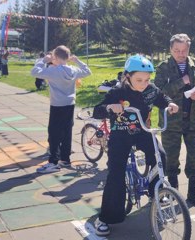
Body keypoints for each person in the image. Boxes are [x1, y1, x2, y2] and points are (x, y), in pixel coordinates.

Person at [92, 54, 178, 236]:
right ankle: (106, 217)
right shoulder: (117, 92)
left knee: (160, 156)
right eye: (139, 79)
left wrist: (170, 104)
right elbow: (97, 110)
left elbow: (162, 97)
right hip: (121, 136)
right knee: (116, 172)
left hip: (143, 133)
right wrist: (109, 108)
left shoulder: (150, 90)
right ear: (127, 76)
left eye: (147, 79)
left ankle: (157, 193)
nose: (144, 83)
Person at [154, 33, 195, 207]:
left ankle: (194, 190)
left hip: (193, 120)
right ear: (170, 49)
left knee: (194, 155)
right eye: (176, 50)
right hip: (171, 121)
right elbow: (158, 92)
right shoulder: (163, 68)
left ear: (189, 49)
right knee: (171, 157)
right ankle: (172, 190)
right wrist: (182, 81)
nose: (180, 54)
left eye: (184, 50)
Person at [31, 45, 91, 173]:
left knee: (54, 133)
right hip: (70, 104)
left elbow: (34, 72)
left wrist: (44, 61)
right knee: (66, 132)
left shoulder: (53, 71)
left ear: (56, 57)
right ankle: (65, 159)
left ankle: (53, 162)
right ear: (68, 57)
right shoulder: (73, 69)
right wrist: (77, 61)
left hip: (57, 105)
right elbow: (87, 71)